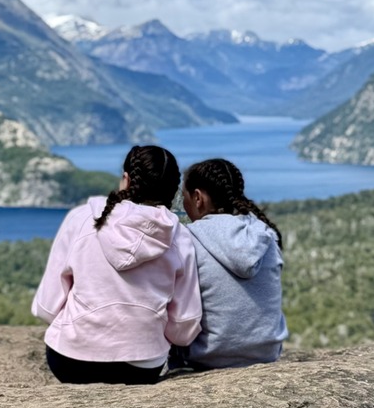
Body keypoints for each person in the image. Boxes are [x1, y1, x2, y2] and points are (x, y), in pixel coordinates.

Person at [32, 145, 202, 384]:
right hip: (141, 367)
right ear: (172, 189)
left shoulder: (81, 218)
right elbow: (184, 328)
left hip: (69, 361)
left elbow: (46, 308)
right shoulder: (179, 237)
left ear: (126, 179)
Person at [173, 158, 288, 370]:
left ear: (198, 198)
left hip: (208, 357)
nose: (184, 204)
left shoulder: (188, 239)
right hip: (266, 354)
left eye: (184, 197)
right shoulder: (265, 234)